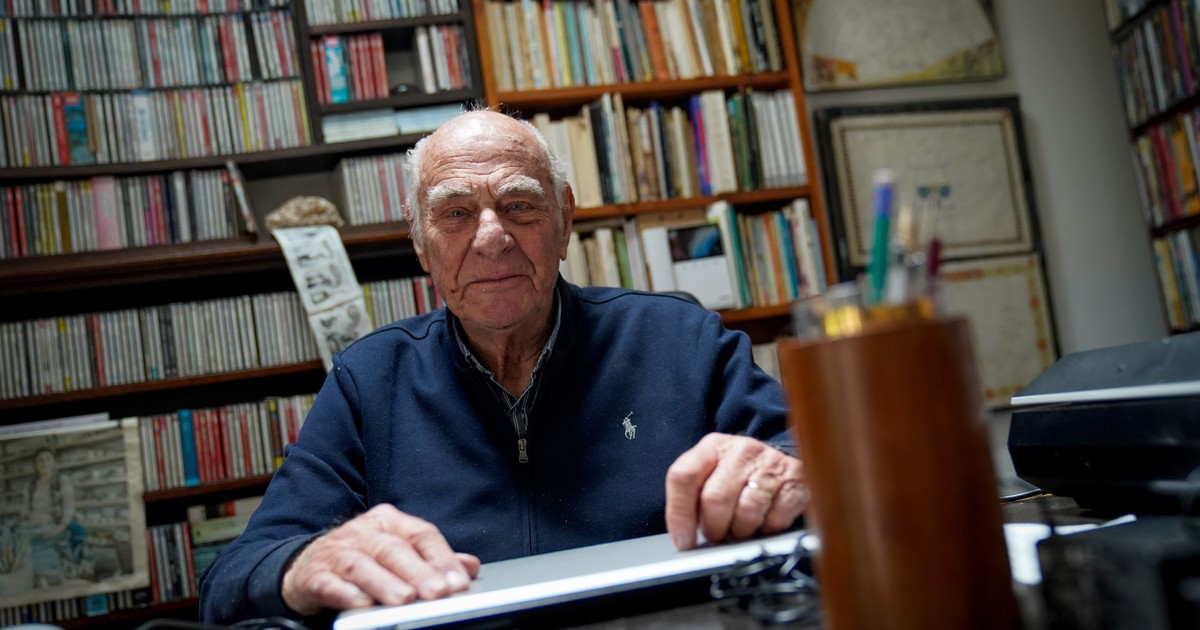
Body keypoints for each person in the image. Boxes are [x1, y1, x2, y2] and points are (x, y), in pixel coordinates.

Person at [198, 109, 808, 623]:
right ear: (420, 242)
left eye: (519, 205)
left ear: (564, 220)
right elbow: (232, 577)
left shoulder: (682, 340)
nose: (491, 237)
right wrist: (303, 565)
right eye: (455, 213)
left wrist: (789, 473)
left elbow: (808, 461)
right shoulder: (368, 381)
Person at [20, 448, 88, 585]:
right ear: (35, 464)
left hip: (56, 523)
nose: (44, 463)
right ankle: (38, 576)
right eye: (40, 460)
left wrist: (60, 527)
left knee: (75, 533)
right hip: (35, 525)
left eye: (48, 459)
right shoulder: (29, 486)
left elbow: (69, 508)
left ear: (54, 463)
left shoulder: (63, 481)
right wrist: (23, 521)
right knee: (19, 544)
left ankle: (63, 573)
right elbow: (24, 509)